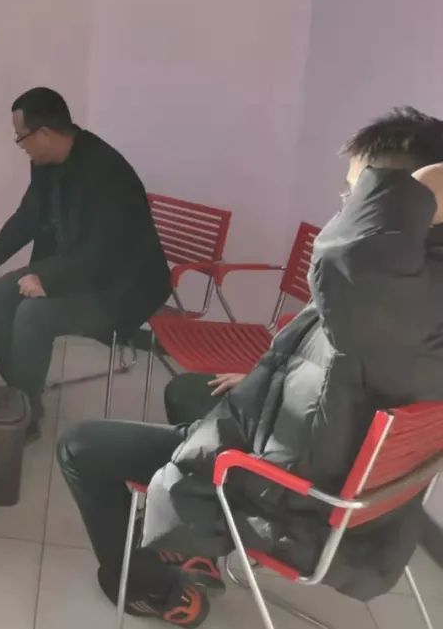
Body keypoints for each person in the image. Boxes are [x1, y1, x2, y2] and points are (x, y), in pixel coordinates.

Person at [57, 107, 443, 627]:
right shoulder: (418, 286)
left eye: (360, 193)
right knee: (189, 392)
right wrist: (264, 384)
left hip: (284, 494)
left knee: (79, 447)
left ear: (409, 204)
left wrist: (419, 189)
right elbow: (357, 371)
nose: (348, 203)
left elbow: (347, 263)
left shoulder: (384, 288)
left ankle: (150, 588)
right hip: (326, 459)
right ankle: (196, 548)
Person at [0, 87, 171, 438]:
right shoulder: (45, 163)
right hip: (76, 267)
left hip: (121, 285)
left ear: (43, 133)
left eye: (20, 137)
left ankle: (24, 420)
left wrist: (48, 279)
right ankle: (22, 395)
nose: (20, 145)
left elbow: (106, 249)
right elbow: (29, 214)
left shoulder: (106, 171)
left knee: (34, 315)